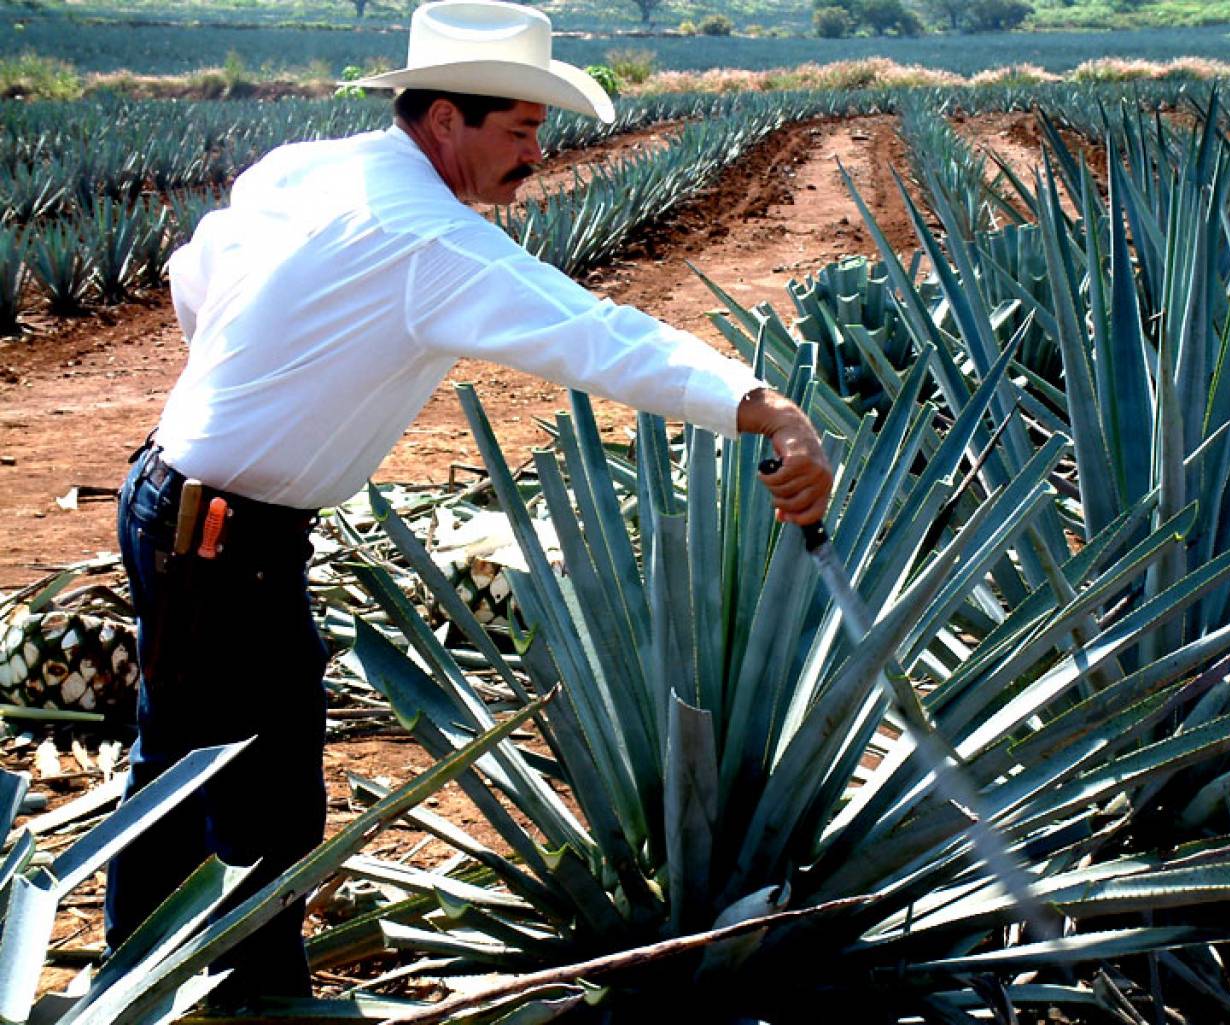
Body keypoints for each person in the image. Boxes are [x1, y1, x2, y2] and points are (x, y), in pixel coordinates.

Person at [104, 0, 833, 1006]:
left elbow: (201, 267)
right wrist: (765, 407)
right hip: (218, 535)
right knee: (236, 797)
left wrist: (249, 380)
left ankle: (195, 987)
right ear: (444, 119)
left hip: (186, 506)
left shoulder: (314, 165)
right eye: (521, 129)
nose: (537, 154)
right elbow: (594, 332)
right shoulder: (426, 238)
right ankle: (207, 999)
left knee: (206, 770)